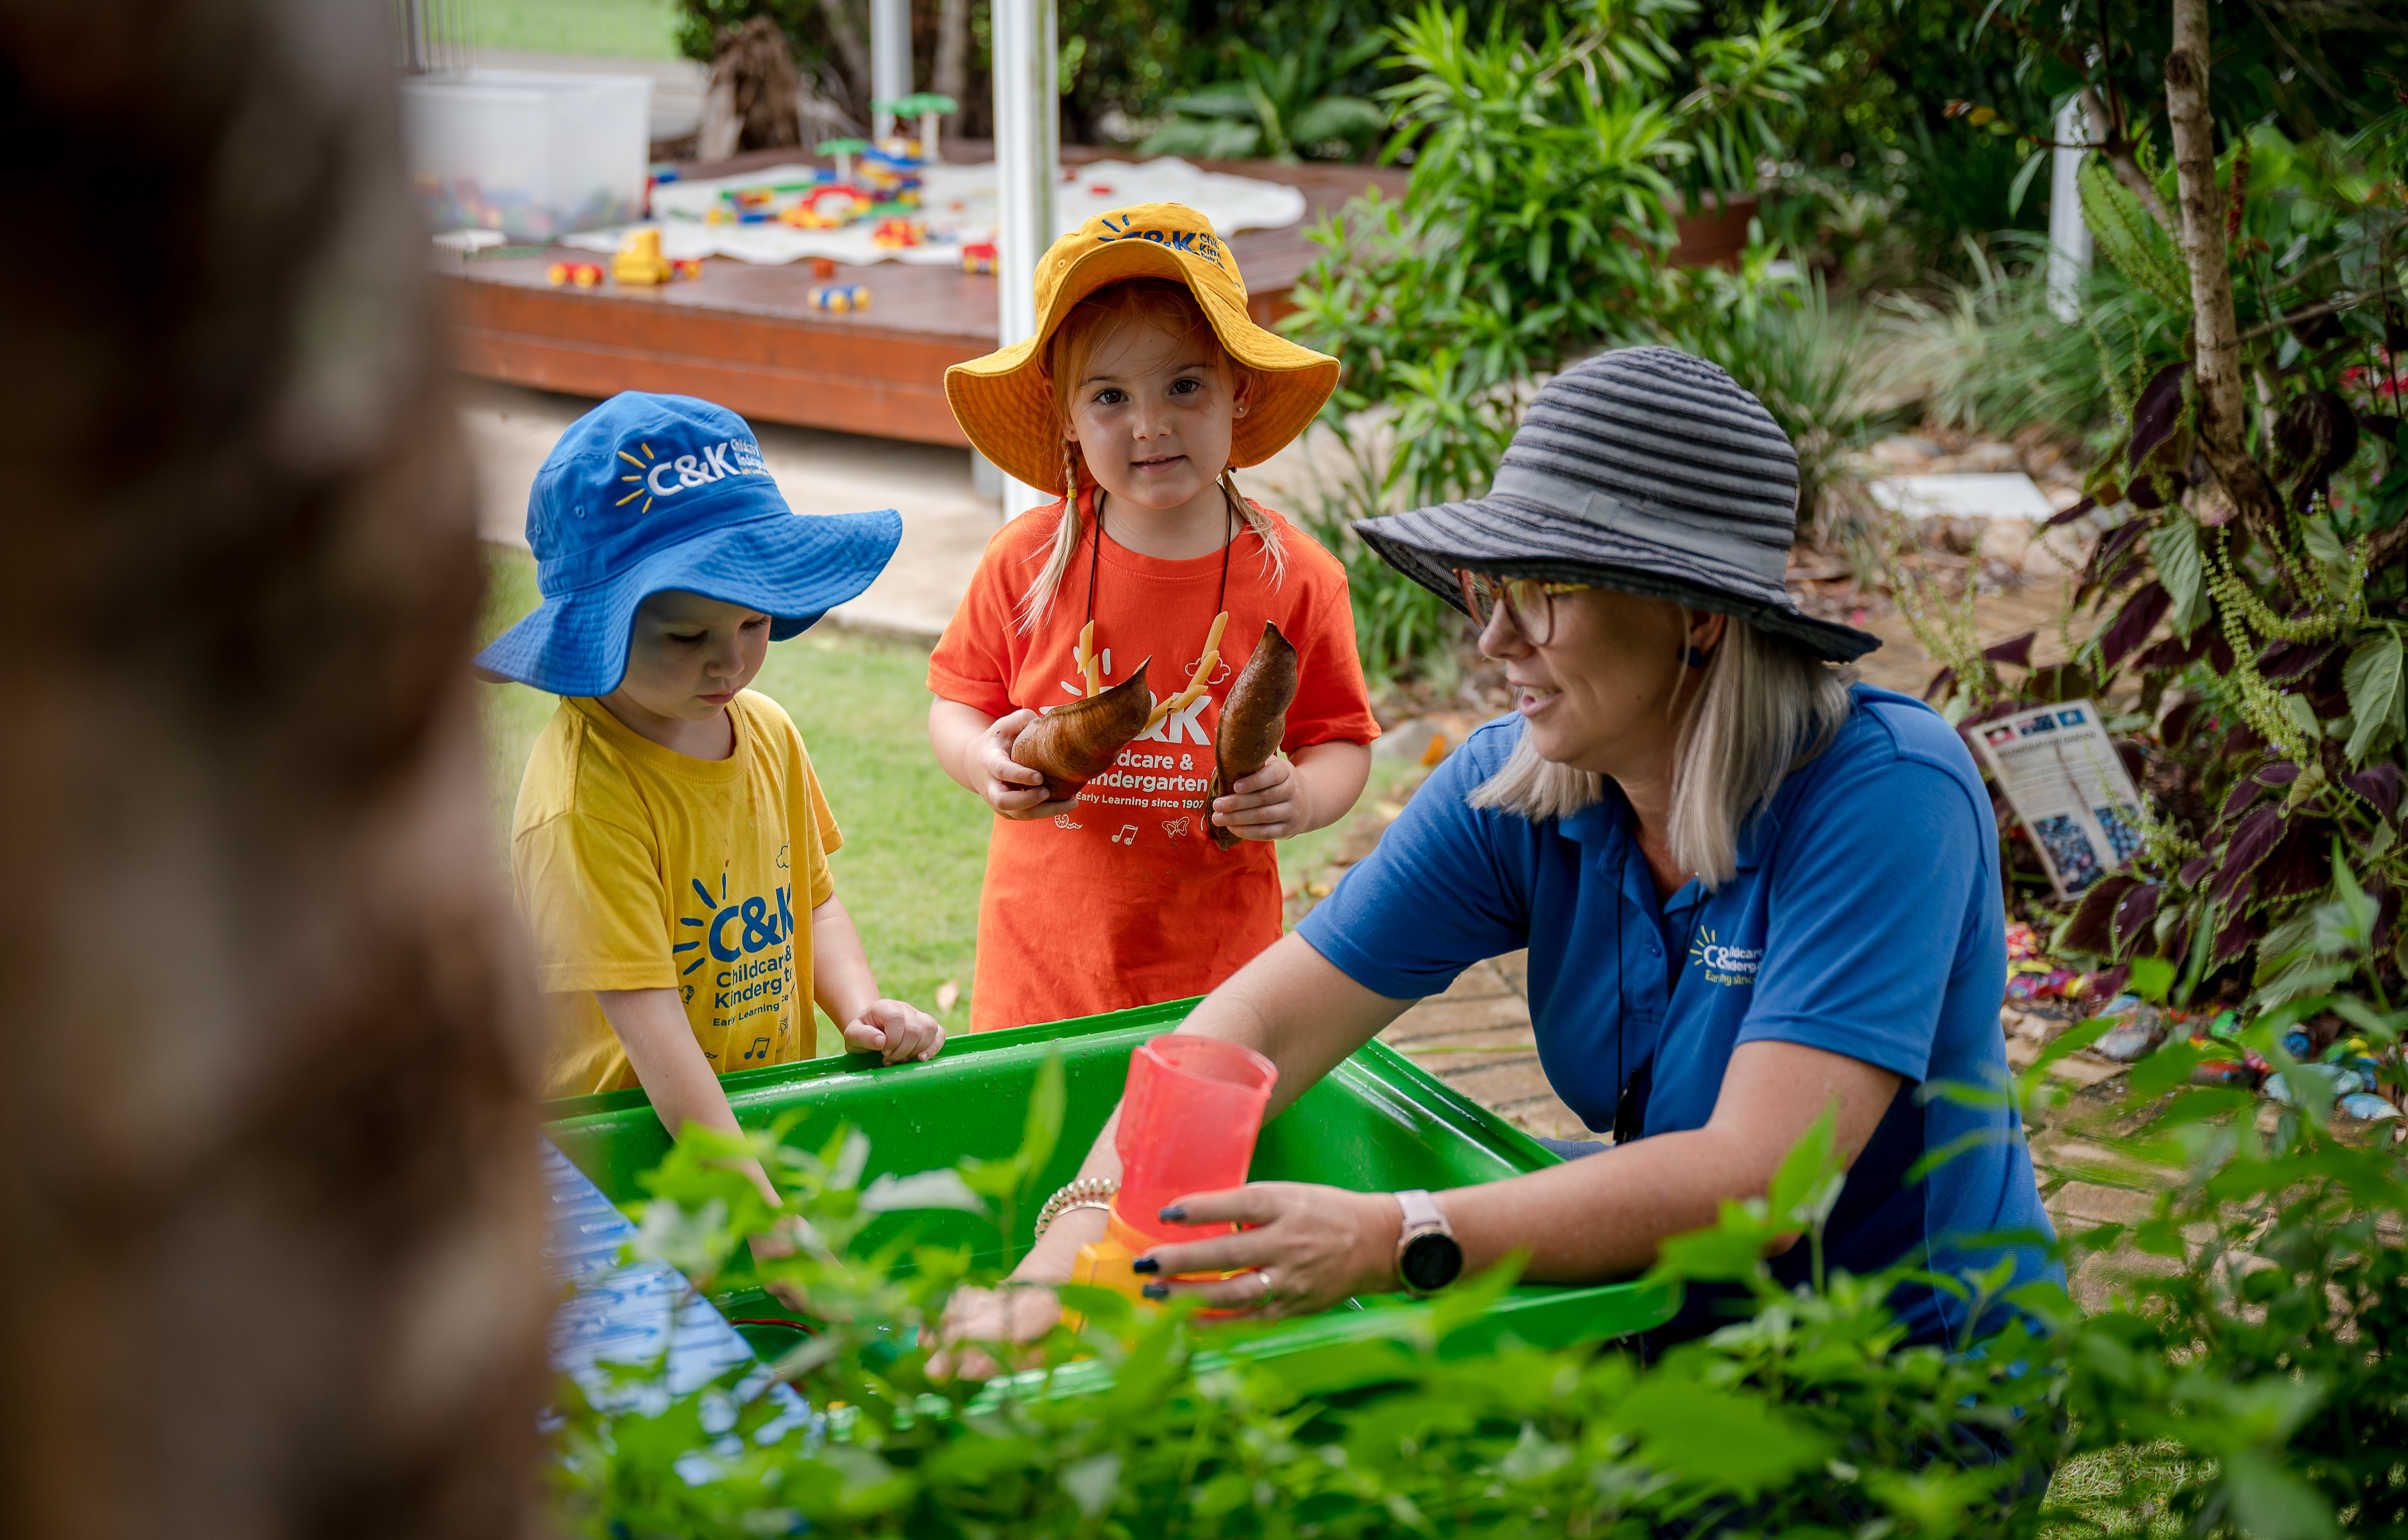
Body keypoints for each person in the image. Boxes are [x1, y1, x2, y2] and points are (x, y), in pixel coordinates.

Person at [935, 347, 2062, 1369]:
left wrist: (1401, 1234)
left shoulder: (1886, 794)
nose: (1494, 639)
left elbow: (1764, 1179)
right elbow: (1251, 1028)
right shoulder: (1519, 785)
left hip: (1905, 1388)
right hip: (1657, 1342)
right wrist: (1068, 1256)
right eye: (1493, 590)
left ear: (1700, 619)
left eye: (1546, 593)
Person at [480, 392, 944, 1229]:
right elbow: (649, 1026)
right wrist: (763, 1221)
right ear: (595, 633)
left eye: (755, 621)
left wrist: (859, 1005)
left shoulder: (767, 732)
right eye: (685, 637)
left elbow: (814, 900)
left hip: (755, 1119)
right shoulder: (585, 799)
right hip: (626, 1161)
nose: (729, 660)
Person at [926, 204, 1381, 1031]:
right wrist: (977, 759)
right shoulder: (1025, 562)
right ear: (1065, 416)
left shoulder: (1300, 577)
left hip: (1221, 984)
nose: (1151, 424)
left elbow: (1341, 738)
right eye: (1109, 395)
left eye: (1184, 384)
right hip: (1042, 978)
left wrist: (1304, 797)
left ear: (1237, 391)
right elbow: (958, 702)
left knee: (1201, 1159)